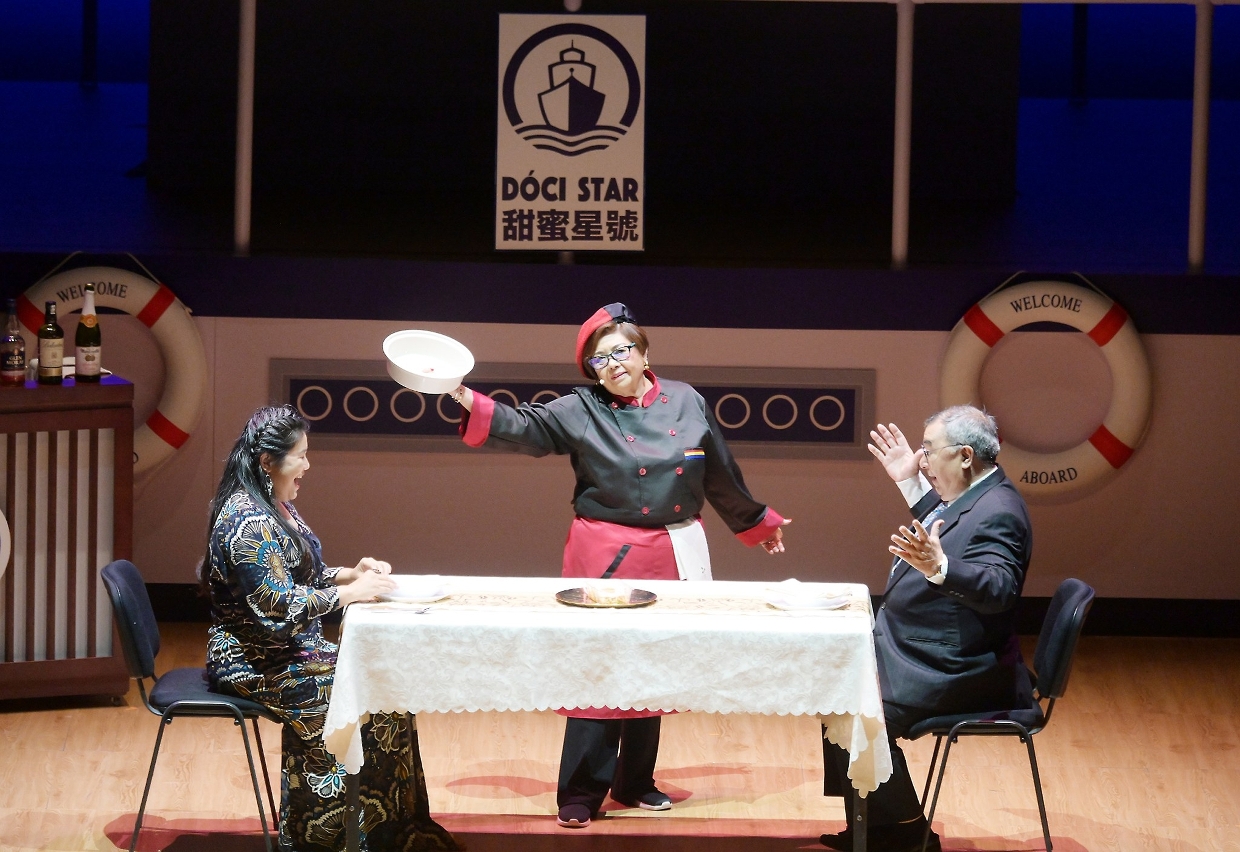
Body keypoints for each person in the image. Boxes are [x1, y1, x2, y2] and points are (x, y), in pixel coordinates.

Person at [450, 302, 790, 829]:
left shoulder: (686, 400)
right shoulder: (581, 408)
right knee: (597, 667)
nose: (612, 364)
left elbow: (718, 470)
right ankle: (581, 791)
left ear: (644, 352)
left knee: (654, 665)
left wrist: (755, 523)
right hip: (605, 552)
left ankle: (634, 781)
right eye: (599, 359)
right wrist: (460, 394)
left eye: (621, 351)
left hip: (673, 549)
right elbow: (522, 424)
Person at [201, 405, 462, 852]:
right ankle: (329, 839)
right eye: (300, 456)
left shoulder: (275, 506)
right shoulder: (246, 520)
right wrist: (350, 594)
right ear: (267, 462)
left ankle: (390, 833)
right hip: (255, 659)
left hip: (289, 651)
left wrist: (348, 574)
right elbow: (279, 605)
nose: (307, 466)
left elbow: (301, 576)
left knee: (386, 684)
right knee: (348, 695)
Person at [820, 405, 1033, 852]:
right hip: (928, 651)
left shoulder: (1000, 510)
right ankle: (872, 826)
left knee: (852, 702)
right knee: (838, 687)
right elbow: (948, 520)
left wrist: (941, 568)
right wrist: (908, 481)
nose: (922, 460)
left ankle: (902, 833)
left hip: (958, 668)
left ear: (965, 456)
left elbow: (1000, 588)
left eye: (929, 451)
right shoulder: (977, 493)